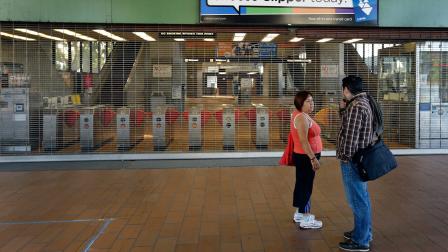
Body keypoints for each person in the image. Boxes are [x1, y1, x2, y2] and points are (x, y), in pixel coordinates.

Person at [337, 76, 374, 251]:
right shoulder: (364, 102)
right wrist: (343, 110)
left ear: (346, 89)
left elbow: (350, 138)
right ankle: (363, 232)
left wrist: (344, 158)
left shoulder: (356, 107)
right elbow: (351, 128)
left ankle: (361, 241)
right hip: (360, 158)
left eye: (343, 89)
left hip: (352, 160)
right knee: (362, 198)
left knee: (358, 200)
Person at [291, 91, 323, 229]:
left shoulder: (301, 115)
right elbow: (304, 141)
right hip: (306, 157)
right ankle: (306, 218)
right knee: (306, 186)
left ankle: (299, 213)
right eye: (308, 101)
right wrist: (313, 158)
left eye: (312, 100)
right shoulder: (301, 118)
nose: (312, 103)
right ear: (300, 103)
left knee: (302, 183)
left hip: (303, 156)